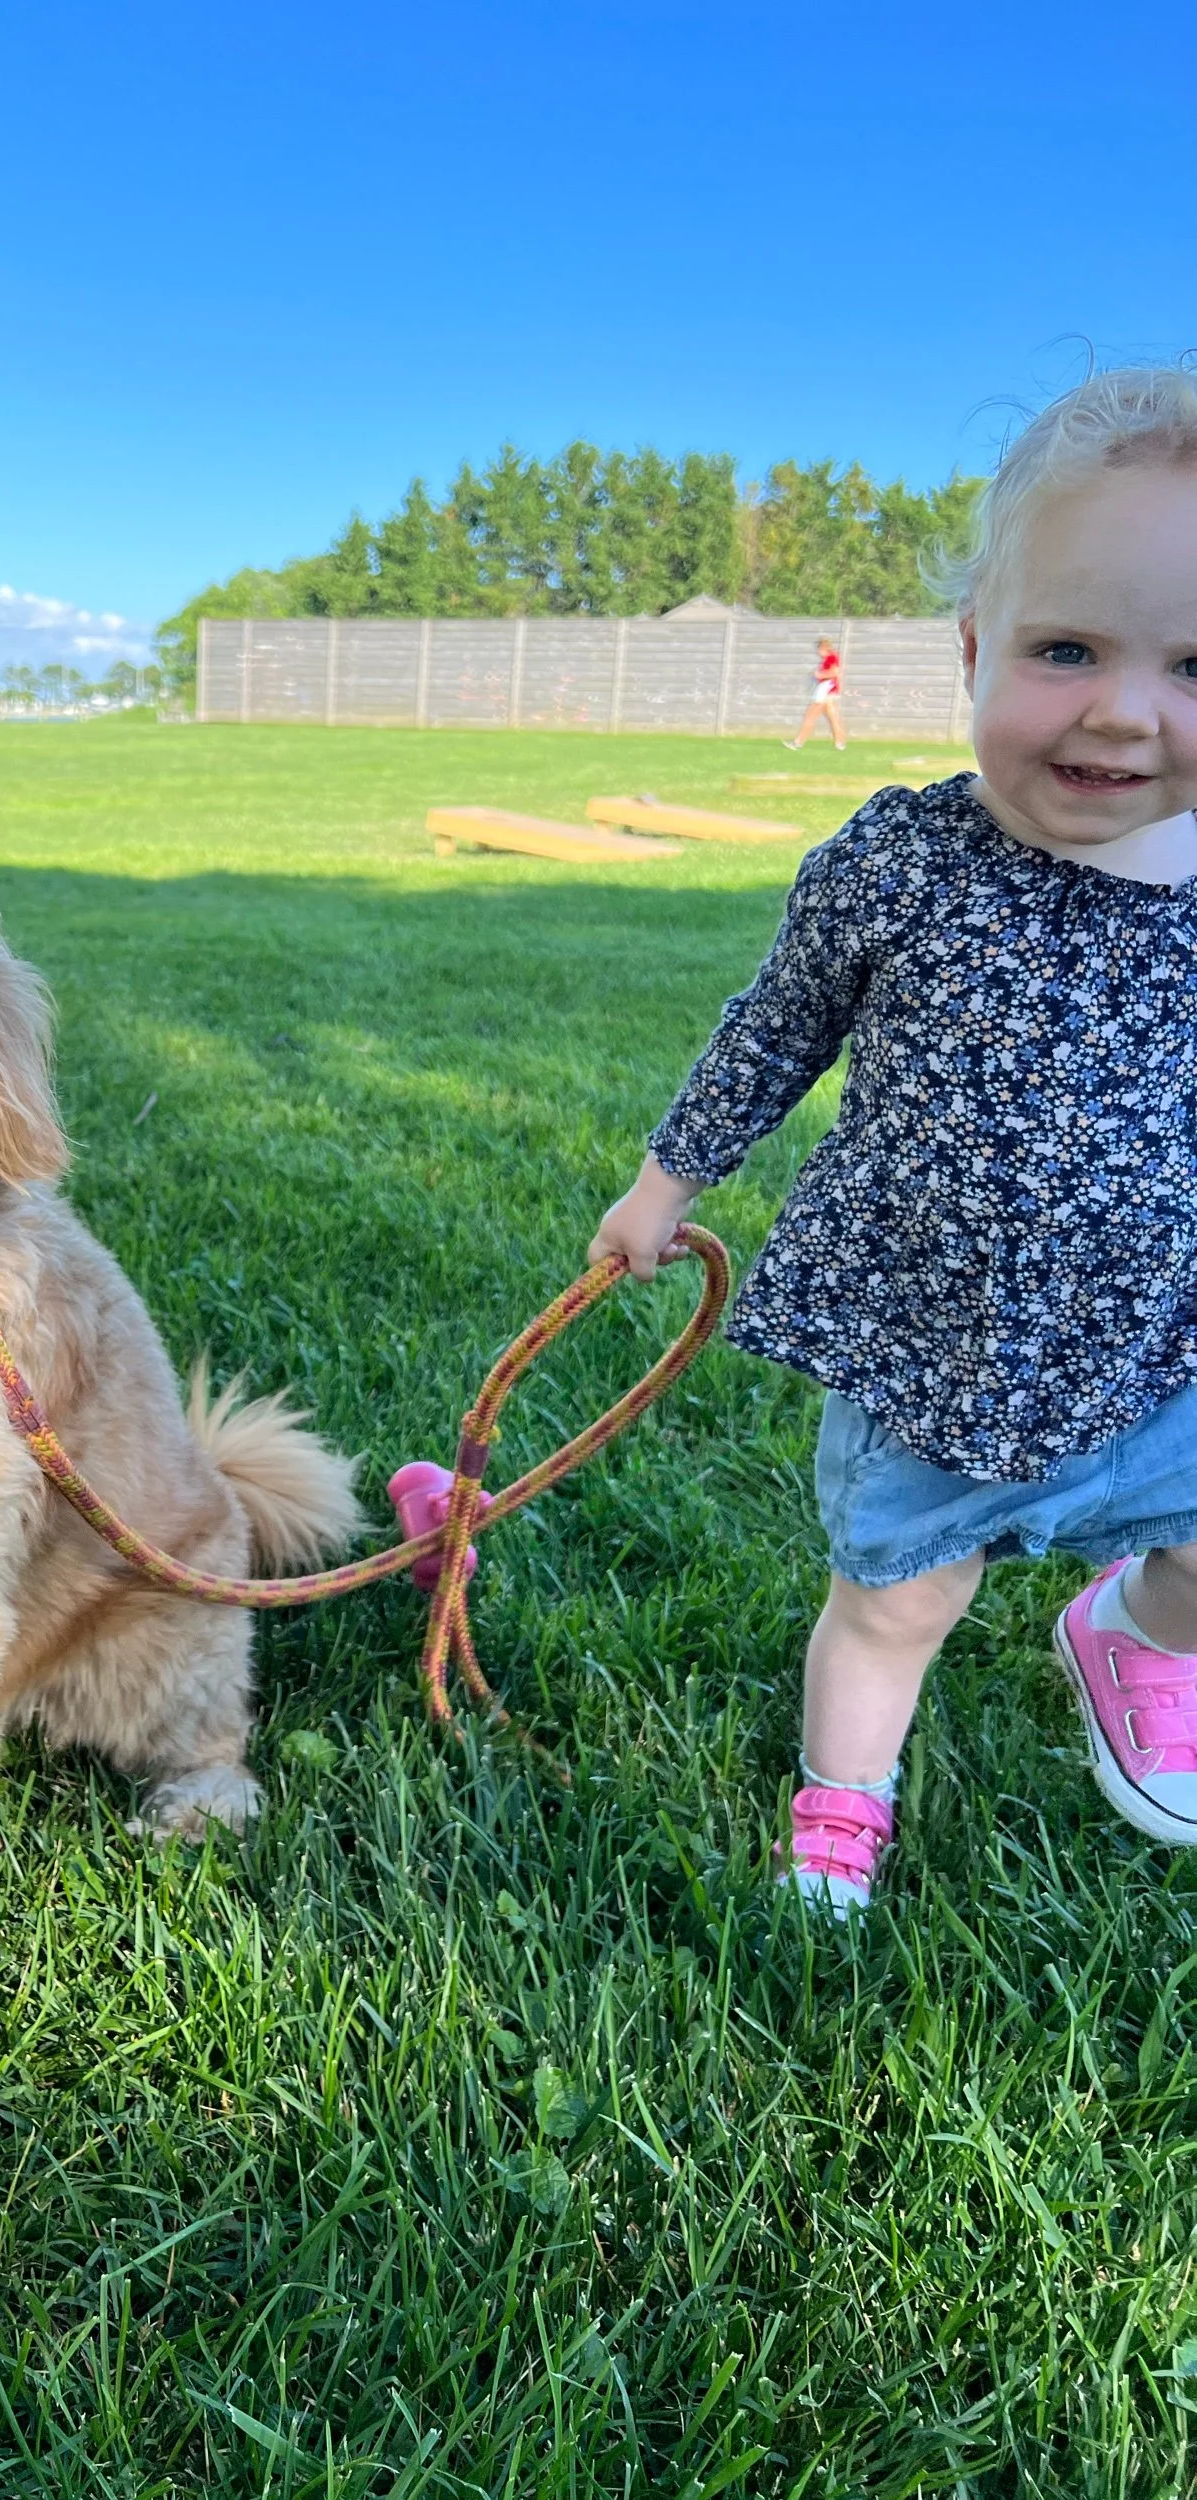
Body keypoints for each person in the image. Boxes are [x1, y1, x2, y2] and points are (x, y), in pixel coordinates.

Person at [590, 367, 1197, 1915]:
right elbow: (774, 1028)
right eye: (1066, 650)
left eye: (1192, 665)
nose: (1123, 711)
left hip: (1161, 1340)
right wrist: (667, 1179)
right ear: (976, 649)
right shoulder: (897, 864)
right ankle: (841, 1806)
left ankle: (1128, 1627)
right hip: (936, 1340)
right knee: (895, 1600)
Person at [784, 638, 847, 749]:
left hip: (826, 690)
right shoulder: (832, 657)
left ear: (822, 648)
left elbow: (835, 672)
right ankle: (840, 743)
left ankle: (798, 742)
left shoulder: (830, 657)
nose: (818, 652)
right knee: (833, 717)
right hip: (830, 690)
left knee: (810, 716)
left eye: (818, 650)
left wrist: (819, 674)